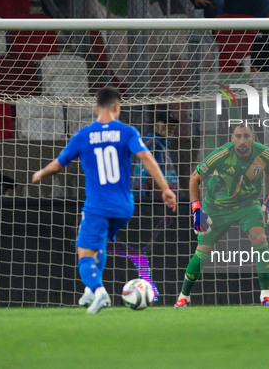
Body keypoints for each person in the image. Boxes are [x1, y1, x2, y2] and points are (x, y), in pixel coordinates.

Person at [32, 87, 176, 314]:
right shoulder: (128, 132)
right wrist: (165, 188)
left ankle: (99, 292)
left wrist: (41, 173)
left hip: (98, 206)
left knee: (84, 253)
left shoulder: (83, 135)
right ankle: (90, 292)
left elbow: (58, 165)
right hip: (124, 206)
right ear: (117, 107)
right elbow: (146, 156)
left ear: (95, 107)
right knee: (99, 245)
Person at [175, 125, 269, 308]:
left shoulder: (265, 155)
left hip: (247, 205)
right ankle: (183, 297)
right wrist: (197, 209)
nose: (242, 140)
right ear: (232, 138)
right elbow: (194, 178)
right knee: (203, 251)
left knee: (260, 238)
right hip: (217, 207)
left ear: (253, 138)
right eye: (238, 136)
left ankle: (266, 296)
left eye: (246, 136)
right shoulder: (221, 154)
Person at [132, 110, 180, 199]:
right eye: (166, 124)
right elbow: (153, 176)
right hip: (154, 200)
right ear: (156, 126)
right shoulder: (155, 144)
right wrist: (164, 200)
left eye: (173, 125)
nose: (170, 128)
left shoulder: (159, 143)